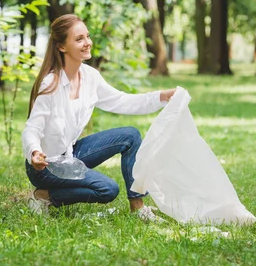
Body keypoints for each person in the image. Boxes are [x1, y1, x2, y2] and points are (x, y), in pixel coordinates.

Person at [21, 14, 176, 219]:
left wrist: (161, 97)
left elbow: (121, 101)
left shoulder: (90, 77)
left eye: (87, 36)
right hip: (46, 165)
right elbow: (32, 127)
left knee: (130, 135)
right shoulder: (51, 84)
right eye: (79, 39)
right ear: (61, 47)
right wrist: (34, 152)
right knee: (108, 189)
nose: (87, 43)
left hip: (71, 155)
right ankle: (44, 195)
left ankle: (138, 207)